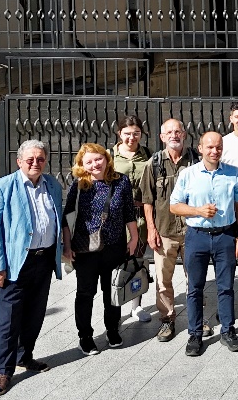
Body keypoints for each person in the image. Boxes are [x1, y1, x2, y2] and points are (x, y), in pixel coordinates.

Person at [0, 140, 63, 397]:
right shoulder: (2, 187)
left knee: (35, 313)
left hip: (44, 258)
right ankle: (3, 371)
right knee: (9, 318)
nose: (35, 163)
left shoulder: (52, 185)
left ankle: (24, 355)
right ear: (19, 161)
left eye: (40, 159)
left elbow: (58, 220)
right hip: (14, 263)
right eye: (29, 159)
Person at [169, 132, 238, 357]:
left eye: (219, 147)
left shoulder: (233, 173)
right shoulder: (188, 174)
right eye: (210, 147)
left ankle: (228, 331)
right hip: (197, 236)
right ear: (200, 148)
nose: (215, 151)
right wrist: (197, 210)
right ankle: (195, 334)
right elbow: (174, 206)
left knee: (226, 286)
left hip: (225, 236)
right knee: (195, 287)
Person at [62, 143, 139, 355]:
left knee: (112, 291)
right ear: (82, 165)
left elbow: (128, 211)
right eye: (89, 161)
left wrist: (134, 237)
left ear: (106, 159)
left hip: (114, 247)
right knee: (86, 293)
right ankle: (85, 336)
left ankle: (112, 329)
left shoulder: (121, 181)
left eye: (98, 159)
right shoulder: (79, 185)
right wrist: (67, 247)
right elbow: (67, 218)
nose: (95, 164)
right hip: (85, 249)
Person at [139, 118, 199, 342]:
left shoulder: (195, 161)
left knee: (195, 277)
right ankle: (167, 319)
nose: (174, 135)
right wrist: (151, 230)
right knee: (163, 280)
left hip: (193, 230)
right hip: (164, 232)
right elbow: (147, 201)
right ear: (162, 137)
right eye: (169, 133)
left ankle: (198, 318)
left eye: (178, 131)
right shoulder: (153, 164)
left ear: (184, 134)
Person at [110, 115, 152, 324]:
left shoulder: (148, 155)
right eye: (127, 134)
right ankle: (115, 309)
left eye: (136, 133)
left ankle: (136, 306)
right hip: (117, 219)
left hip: (141, 218)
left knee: (136, 262)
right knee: (116, 265)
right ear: (120, 134)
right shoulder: (110, 156)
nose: (131, 138)